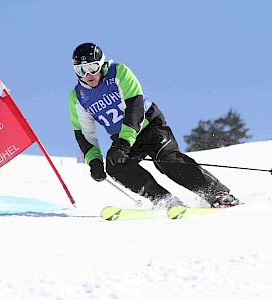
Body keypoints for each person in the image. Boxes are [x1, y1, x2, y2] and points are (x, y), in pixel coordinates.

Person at [68, 42, 240, 209]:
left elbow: (135, 108)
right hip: (124, 138)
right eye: (81, 70)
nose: (88, 74)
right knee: (115, 165)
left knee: (166, 159)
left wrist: (123, 143)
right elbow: (85, 134)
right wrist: (95, 161)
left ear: (102, 64)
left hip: (149, 126)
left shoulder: (119, 73)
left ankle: (217, 193)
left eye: (92, 68)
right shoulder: (77, 98)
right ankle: (165, 201)